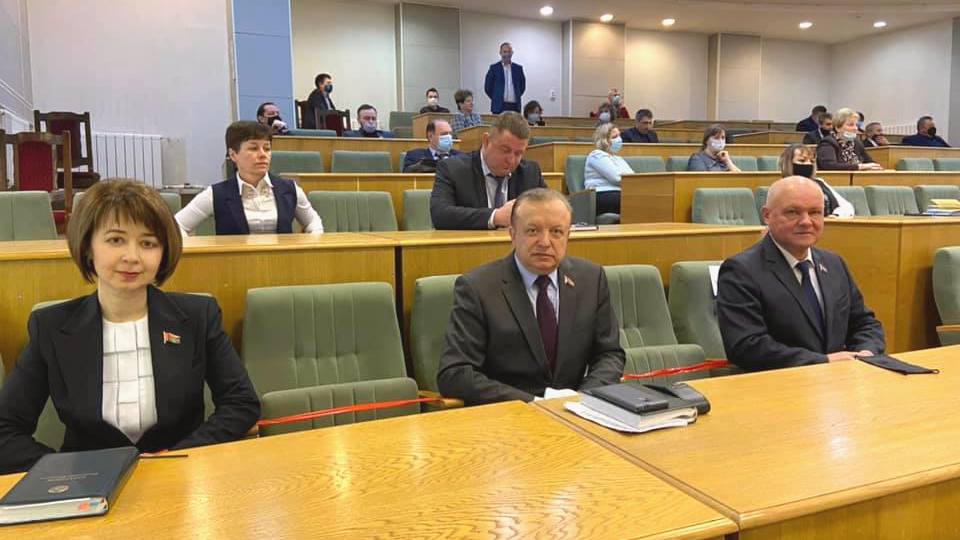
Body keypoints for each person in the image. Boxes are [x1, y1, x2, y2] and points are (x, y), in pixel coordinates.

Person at [0, 179, 261, 473]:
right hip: (88, 484)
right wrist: (72, 471)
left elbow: (241, 403)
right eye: (115, 240)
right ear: (88, 246)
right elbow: (5, 432)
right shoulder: (51, 327)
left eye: (148, 243)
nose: (132, 257)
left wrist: (180, 457)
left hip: (181, 478)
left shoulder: (198, 316)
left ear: (163, 252)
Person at [436, 188, 625, 405]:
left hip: (578, 412)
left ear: (568, 236)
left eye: (556, 232)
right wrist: (534, 402)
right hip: (511, 415)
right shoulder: (477, 288)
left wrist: (583, 399)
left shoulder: (591, 279)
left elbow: (609, 354)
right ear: (512, 234)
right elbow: (455, 373)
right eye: (533, 231)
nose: (545, 242)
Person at [717, 176, 885, 371]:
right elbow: (747, 346)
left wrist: (866, 352)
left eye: (815, 212)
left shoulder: (834, 263)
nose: (806, 222)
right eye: (793, 212)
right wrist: (823, 362)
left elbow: (865, 323)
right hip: (781, 383)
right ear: (767, 215)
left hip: (842, 379)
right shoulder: (741, 271)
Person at [175, 121, 324, 235]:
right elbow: (177, 226)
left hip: (282, 263)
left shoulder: (290, 189)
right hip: (235, 265)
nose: (263, 155)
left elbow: (313, 222)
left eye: (267, 148)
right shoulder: (216, 193)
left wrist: (310, 244)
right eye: (253, 148)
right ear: (233, 155)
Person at [430, 112, 545, 230]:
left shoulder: (531, 173)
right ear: (486, 141)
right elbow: (440, 214)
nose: (511, 160)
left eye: (518, 153)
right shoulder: (453, 169)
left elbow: (552, 209)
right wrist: (496, 217)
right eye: (505, 150)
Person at [779, 144, 854, 218]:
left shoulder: (820, 183)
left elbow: (847, 206)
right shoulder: (781, 189)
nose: (808, 164)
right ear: (789, 163)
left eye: (812, 161)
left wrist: (836, 215)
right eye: (802, 160)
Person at [584, 123, 633, 216]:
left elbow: (633, 177)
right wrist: (627, 177)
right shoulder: (596, 155)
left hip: (620, 193)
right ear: (604, 140)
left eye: (619, 136)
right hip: (601, 194)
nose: (619, 139)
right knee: (636, 201)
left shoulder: (619, 158)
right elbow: (617, 178)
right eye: (614, 137)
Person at [816, 108, 882, 171]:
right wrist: (859, 167)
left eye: (856, 125)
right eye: (850, 125)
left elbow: (870, 162)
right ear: (837, 128)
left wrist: (875, 167)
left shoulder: (856, 142)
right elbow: (830, 165)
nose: (855, 128)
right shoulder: (827, 142)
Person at [484, 42, 525, 114]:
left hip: (515, 106)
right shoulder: (494, 68)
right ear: (500, 53)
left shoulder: (518, 68)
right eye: (505, 52)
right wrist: (496, 97)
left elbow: (522, 87)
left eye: (509, 52)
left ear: (512, 53)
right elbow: (488, 87)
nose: (507, 54)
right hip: (498, 107)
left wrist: (516, 95)